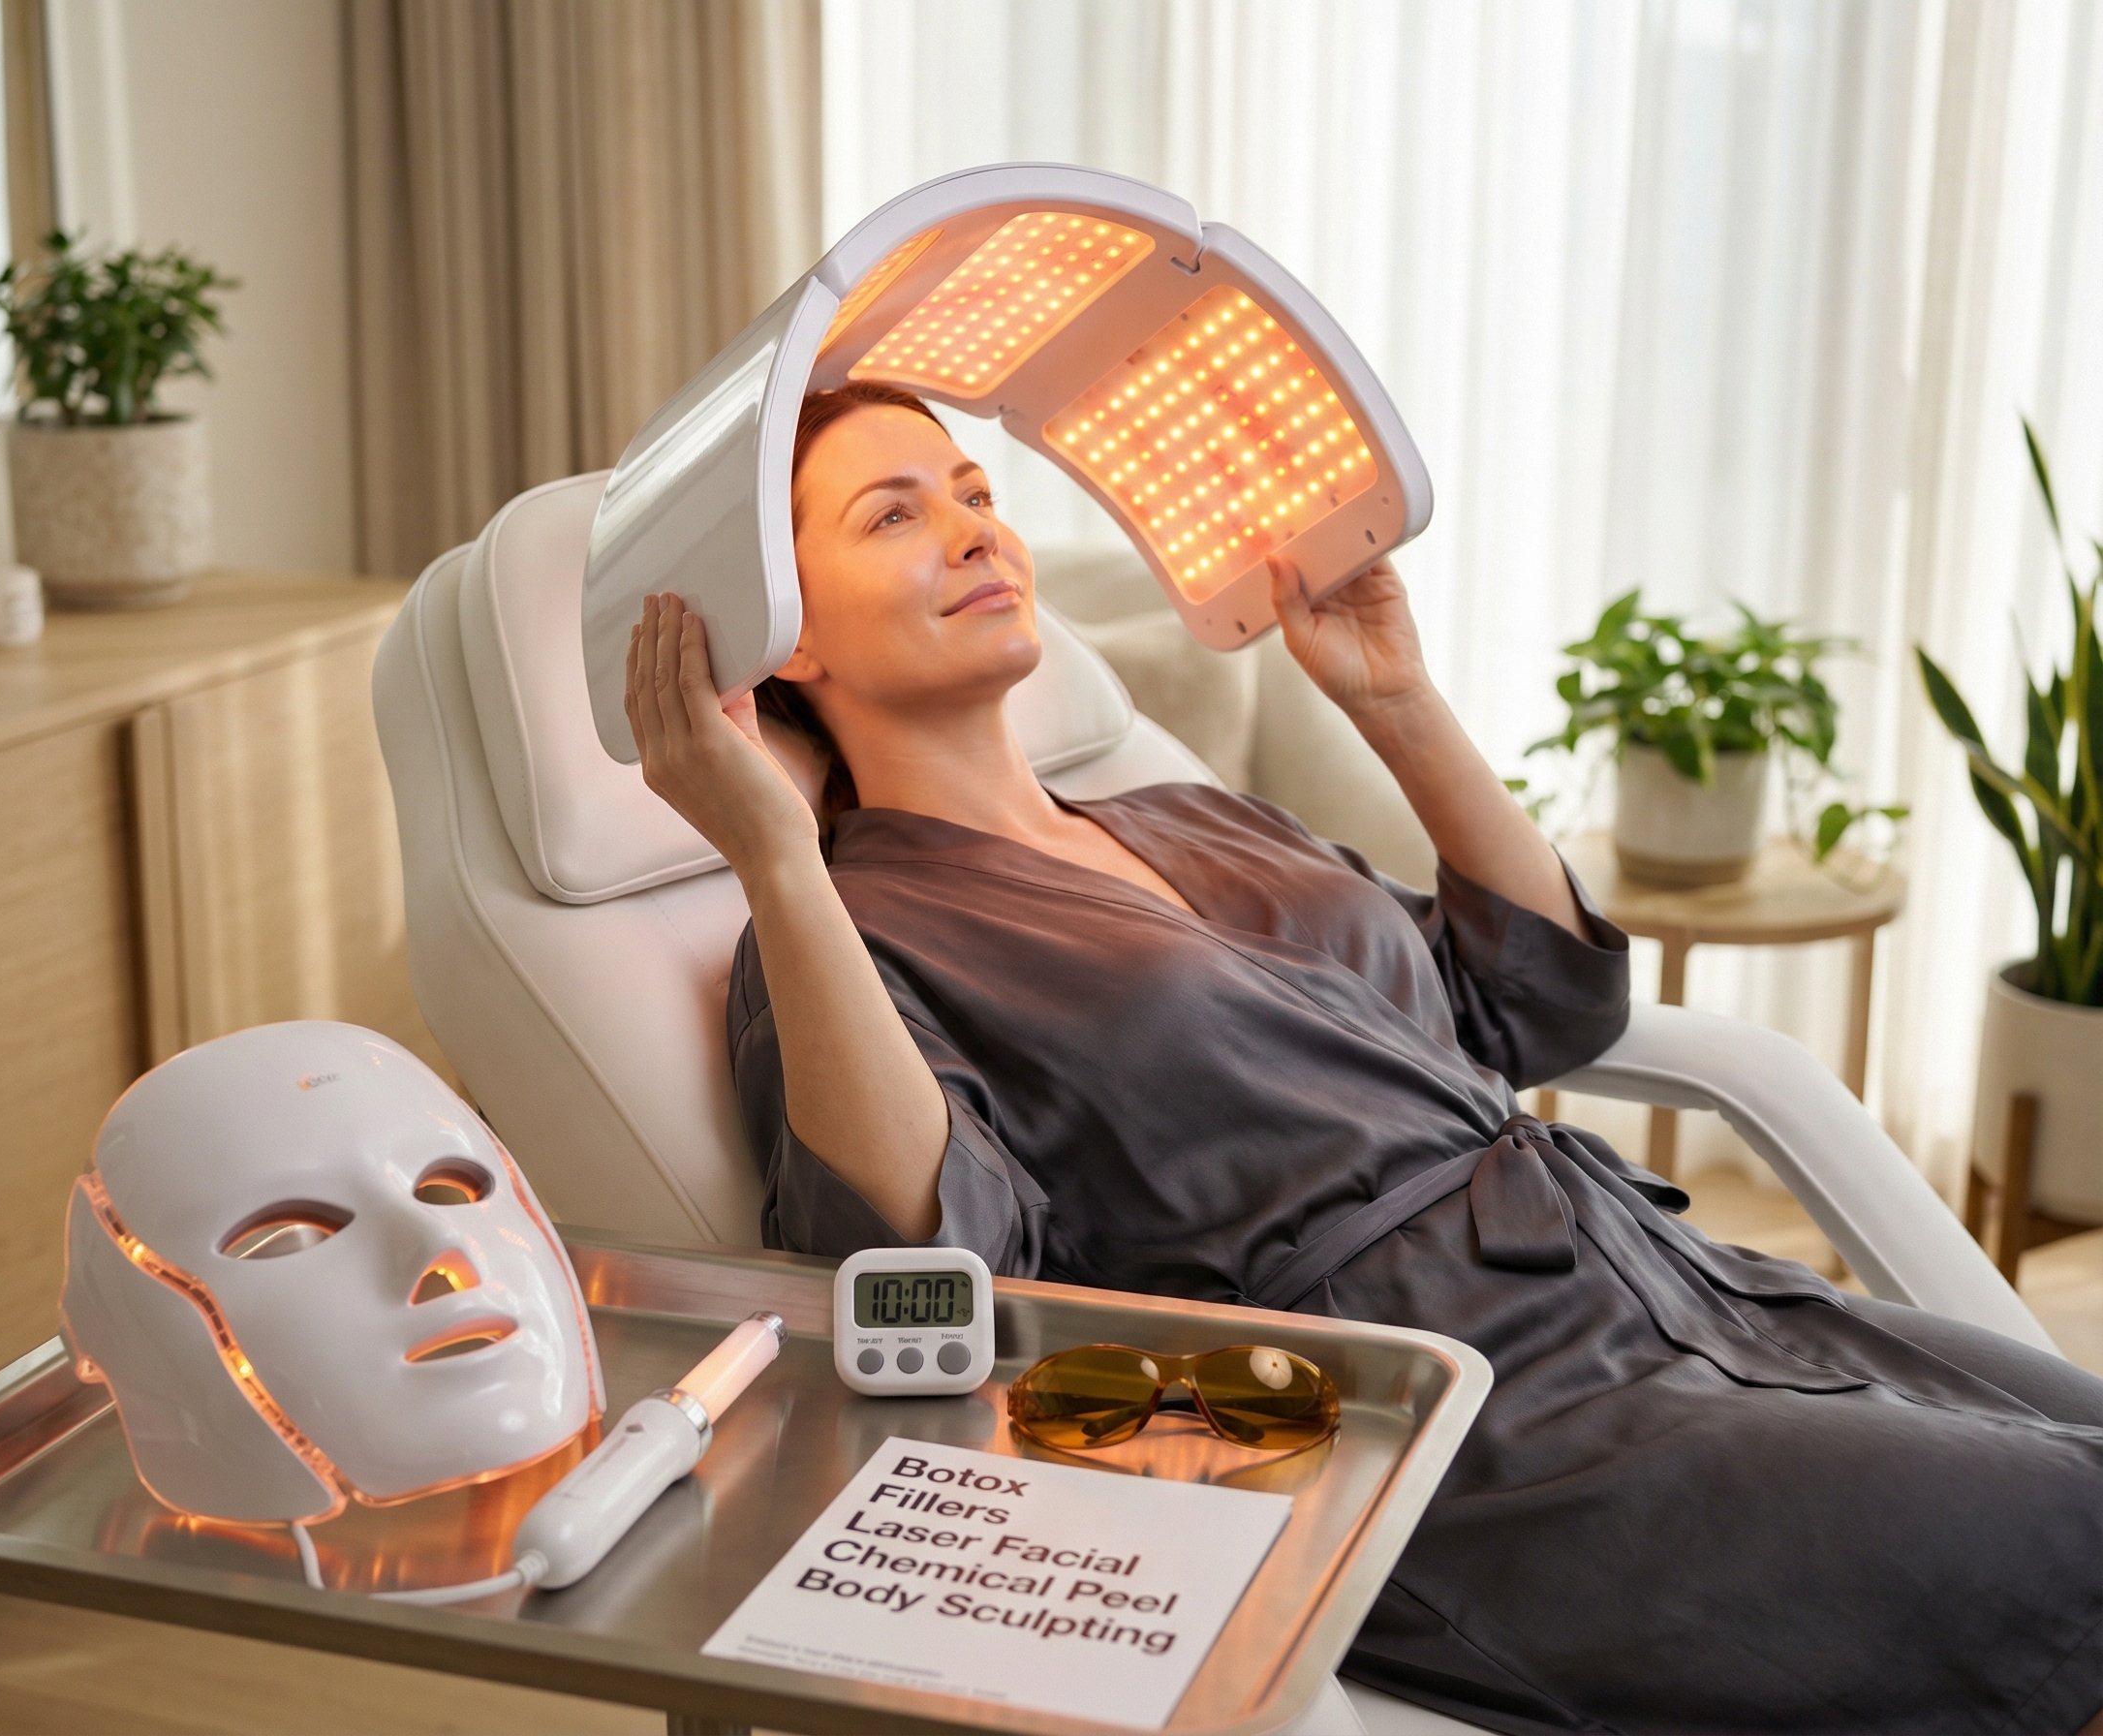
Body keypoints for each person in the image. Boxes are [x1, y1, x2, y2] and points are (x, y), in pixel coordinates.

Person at [623, 380, 2103, 1736]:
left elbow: (1538, 1010)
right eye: (896, 513)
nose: (971, 531)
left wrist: (1397, 701)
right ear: (785, 632)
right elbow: (911, 1253)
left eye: (975, 494)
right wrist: (775, 856)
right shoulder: (838, 930)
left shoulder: (1182, 816)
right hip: (1445, 1421)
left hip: (1675, 1294)